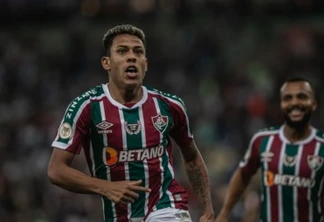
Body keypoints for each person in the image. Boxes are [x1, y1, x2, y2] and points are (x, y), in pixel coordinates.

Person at [47, 24, 214, 222]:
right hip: (118, 216)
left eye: (138, 51)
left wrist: (207, 208)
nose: (132, 56)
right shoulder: (87, 107)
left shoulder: (169, 106)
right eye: (122, 51)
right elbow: (56, 170)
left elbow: (192, 156)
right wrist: (105, 186)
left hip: (167, 208)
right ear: (106, 63)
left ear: (146, 64)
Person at [215, 77, 324, 222]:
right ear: (281, 104)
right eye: (288, 98)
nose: (294, 103)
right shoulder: (263, 140)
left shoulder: (321, 145)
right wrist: (224, 213)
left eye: (302, 97)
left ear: (314, 104)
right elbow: (243, 174)